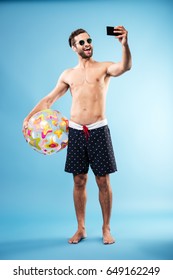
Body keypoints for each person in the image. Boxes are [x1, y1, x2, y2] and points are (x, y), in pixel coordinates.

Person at [23, 25, 132, 245]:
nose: (87, 44)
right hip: (75, 131)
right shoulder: (68, 74)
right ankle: (81, 228)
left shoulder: (103, 68)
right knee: (79, 181)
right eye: (81, 42)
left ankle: (106, 228)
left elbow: (125, 67)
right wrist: (29, 117)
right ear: (74, 48)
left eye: (89, 40)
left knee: (103, 180)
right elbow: (49, 100)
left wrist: (125, 45)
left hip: (98, 130)